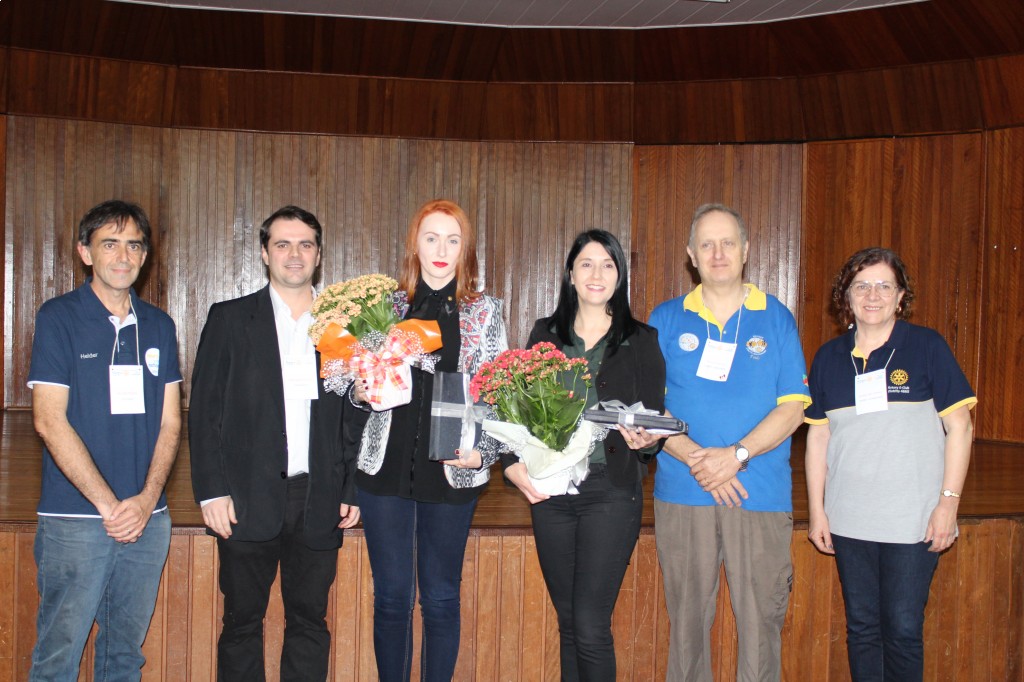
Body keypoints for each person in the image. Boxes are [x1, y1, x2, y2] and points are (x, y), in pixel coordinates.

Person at [189, 205, 367, 681]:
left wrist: (351, 488)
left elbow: (356, 415)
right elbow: (204, 413)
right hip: (245, 496)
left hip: (319, 495)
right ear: (265, 254)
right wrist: (211, 491)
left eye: (305, 244)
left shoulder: (345, 326)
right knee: (241, 623)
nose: (294, 254)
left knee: (310, 621)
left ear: (319, 255)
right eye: (283, 244)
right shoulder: (229, 319)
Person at [647, 203, 810, 682]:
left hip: (757, 492)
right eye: (706, 244)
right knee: (686, 630)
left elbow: (793, 409)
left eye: (727, 243)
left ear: (745, 250)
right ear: (691, 254)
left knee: (761, 628)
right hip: (684, 492)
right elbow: (650, 409)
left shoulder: (776, 318)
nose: (717, 253)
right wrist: (703, 463)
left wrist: (735, 457)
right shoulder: (666, 318)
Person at [804, 247, 975, 681]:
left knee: (901, 630)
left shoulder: (926, 347)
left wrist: (948, 504)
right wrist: (818, 511)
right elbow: (818, 437)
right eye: (861, 286)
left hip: (912, 520)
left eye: (884, 286)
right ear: (846, 295)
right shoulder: (828, 357)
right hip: (849, 519)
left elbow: (961, 427)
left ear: (901, 296)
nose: (873, 295)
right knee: (862, 630)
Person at [27, 200, 182, 680]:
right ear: (85, 252)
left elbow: (171, 423)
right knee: (58, 657)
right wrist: (109, 506)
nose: (123, 256)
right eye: (109, 244)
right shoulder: (59, 317)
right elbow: (49, 421)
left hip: (147, 519)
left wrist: (147, 500)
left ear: (145, 255)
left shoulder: (159, 325)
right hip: (77, 518)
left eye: (134, 245)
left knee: (124, 657)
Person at [355, 199, 508, 682]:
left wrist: (484, 453)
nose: (441, 250)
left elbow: (499, 394)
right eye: (432, 238)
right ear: (414, 246)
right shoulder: (384, 306)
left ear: (466, 250)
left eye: (453, 240)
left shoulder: (484, 311)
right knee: (391, 599)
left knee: (441, 598)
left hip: (453, 467)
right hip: (385, 470)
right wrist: (359, 390)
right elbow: (351, 383)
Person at [503, 230, 666, 681]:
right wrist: (511, 466)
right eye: (587, 264)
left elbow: (654, 422)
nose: (597, 274)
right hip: (551, 492)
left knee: (591, 626)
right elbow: (518, 412)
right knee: (570, 623)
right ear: (570, 274)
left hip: (610, 492)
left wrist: (647, 440)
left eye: (608, 265)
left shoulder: (642, 339)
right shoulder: (545, 334)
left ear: (620, 275)